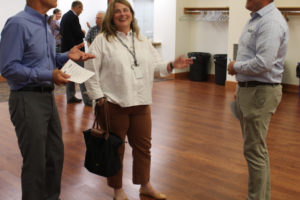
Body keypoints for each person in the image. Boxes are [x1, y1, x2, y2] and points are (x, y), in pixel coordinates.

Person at [84, 1, 193, 199]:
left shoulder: (142, 40)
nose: (122, 14)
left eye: (126, 10)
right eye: (117, 11)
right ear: (111, 16)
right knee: (115, 148)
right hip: (113, 103)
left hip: (142, 103)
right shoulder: (102, 41)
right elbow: (91, 72)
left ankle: (145, 184)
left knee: (144, 147)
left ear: (132, 14)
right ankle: (118, 189)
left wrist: (171, 65)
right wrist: (99, 98)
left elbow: (157, 68)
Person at [0, 0, 95, 199]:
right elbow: (8, 68)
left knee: (55, 155)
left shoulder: (45, 23)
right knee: (35, 162)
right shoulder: (17, 24)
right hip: (27, 98)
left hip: (47, 97)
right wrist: (48, 75)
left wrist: (65, 56)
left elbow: (46, 59)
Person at [227, 0, 289, 199]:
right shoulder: (256, 19)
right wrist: (240, 85)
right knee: (256, 150)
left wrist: (236, 67)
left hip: (259, 93)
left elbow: (264, 63)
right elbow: (251, 56)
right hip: (250, 90)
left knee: (254, 151)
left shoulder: (270, 22)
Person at [60, 0, 92, 106]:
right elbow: (77, 33)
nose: (81, 11)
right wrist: (82, 32)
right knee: (81, 75)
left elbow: (63, 33)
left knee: (70, 75)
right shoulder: (73, 17)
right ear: (77, 7)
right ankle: (87, 100)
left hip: (66, 51)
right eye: (81, 9)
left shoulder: (64, 16)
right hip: (75, 52)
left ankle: (70, 96)